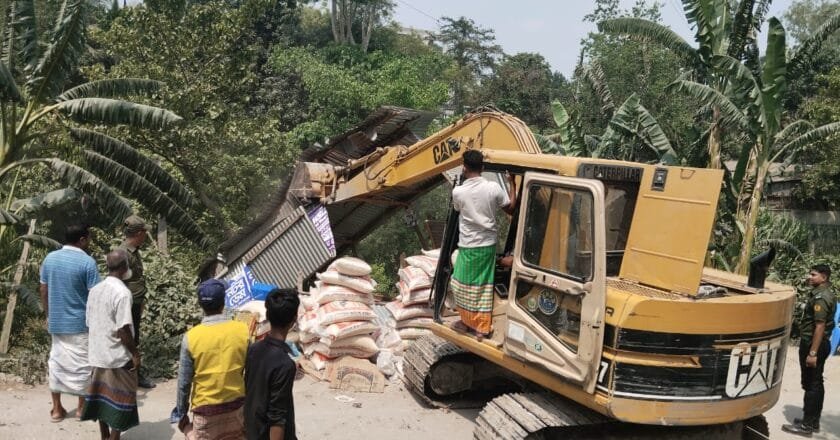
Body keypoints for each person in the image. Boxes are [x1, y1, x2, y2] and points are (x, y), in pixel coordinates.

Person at [448, 150, 516, 339]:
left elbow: (457, 209)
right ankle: (469, 321)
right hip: (483, 245)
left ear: (463, 166)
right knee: (475, 286)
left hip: (471, 245)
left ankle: (482, 327)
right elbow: (510, 208)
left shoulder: (458, 192)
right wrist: (512, 184)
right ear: (483, 167)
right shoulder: (493, 188)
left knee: (467, 285)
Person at [39, 223, 100, 422]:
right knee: (82, 366)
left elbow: (43, 289)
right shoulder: (88, 263)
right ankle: (81, 409)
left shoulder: (50, 258)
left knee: (56, 363)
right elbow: (95, 296)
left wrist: (48, 315)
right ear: (82, 239)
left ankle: (56, 410)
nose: (89, 241)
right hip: (80, 324)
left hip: (56, 322)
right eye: (88, 238)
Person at [175, 279, 249, 440]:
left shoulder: (191, 337)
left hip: (205, 411)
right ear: (223, 303)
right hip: (236, 406)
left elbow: (184, 383)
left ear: (201, 306)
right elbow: (249, 371)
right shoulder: (242, 331)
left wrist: (181, 413)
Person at [80, 250, 141, 439]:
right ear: (124, 268)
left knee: (101, 400)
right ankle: (114, 437)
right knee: (123, 397)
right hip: (117, 357)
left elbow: (90, 323)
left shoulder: (95, 290)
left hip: (97, 354)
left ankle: (104, 435)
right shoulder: (122, 293)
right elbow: (123, 330)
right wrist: (135, 354)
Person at [782, 264, 836, 437]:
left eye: (813, 274)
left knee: (812, 384)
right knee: (814, 383)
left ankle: (807, 426)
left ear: (824, 277)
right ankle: (811, 421)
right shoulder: (821, 293)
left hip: (815, 344)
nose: (809, 277)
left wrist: (812, 353)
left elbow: (820, 326)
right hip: (816, 343)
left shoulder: (821, 297)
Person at [244, 288, 300, 440]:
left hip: (251, 430)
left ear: (267, 316)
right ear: (294, 319)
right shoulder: (285, 364)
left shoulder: (254, 349)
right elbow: (277, 417)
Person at [117, 215, 155, 389]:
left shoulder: (133, 251)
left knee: (134, 338)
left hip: (135, 302)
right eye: (144, 232)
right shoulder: (123, 254)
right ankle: (129, 377)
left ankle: (133, 374)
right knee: (128, 340)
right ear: (139, 233)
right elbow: (119, 282)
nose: (146, 235)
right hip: (128, 304)